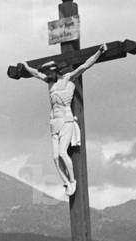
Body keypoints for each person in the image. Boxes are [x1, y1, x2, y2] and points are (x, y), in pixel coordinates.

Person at [20, 43, 107, 196]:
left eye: (49, 72)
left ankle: (73, 181)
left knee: (62, 153)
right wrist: (26, 66)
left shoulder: (68, 79)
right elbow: (35, 73)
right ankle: (66, 182)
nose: (47, 75)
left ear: (55, 71)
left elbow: (85, 65)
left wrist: (99, 53)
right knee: (54, 157)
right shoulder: (50, 82)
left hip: (66, 120)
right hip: (53, 123)